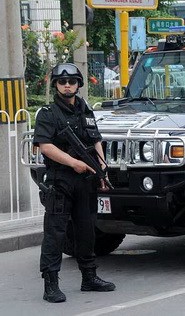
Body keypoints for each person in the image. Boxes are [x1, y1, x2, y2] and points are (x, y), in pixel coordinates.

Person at [33, 63, 115, 303]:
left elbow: (95, 140)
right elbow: (45, 146)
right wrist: (72, 162)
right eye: (62, 82)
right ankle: (51, 284)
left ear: (79, 84)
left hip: (86, 179)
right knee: (56, 233)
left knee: (87, 230)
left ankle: (89, 278)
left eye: (71, 82)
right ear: (56, 85)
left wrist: (102, 171)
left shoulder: (84, 109)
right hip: (61, 180)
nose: (67, 85)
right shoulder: (48, 113)